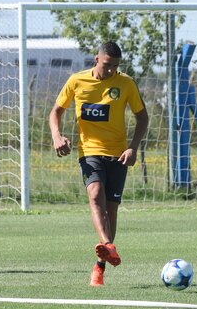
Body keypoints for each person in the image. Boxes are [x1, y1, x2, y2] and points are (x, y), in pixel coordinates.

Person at [49, 41, 148, 286]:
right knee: (95, 195)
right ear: (96, 59)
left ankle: (100, 265)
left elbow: (142, 116)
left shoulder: (125, 83)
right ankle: (108, 246)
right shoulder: (77, 81)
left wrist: (132, 147)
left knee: (111, 209)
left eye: (115, 66)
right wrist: (56, 136)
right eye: (107, 65)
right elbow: (56, 112)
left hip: (118, 154)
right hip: (89, 151)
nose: (111, 71)